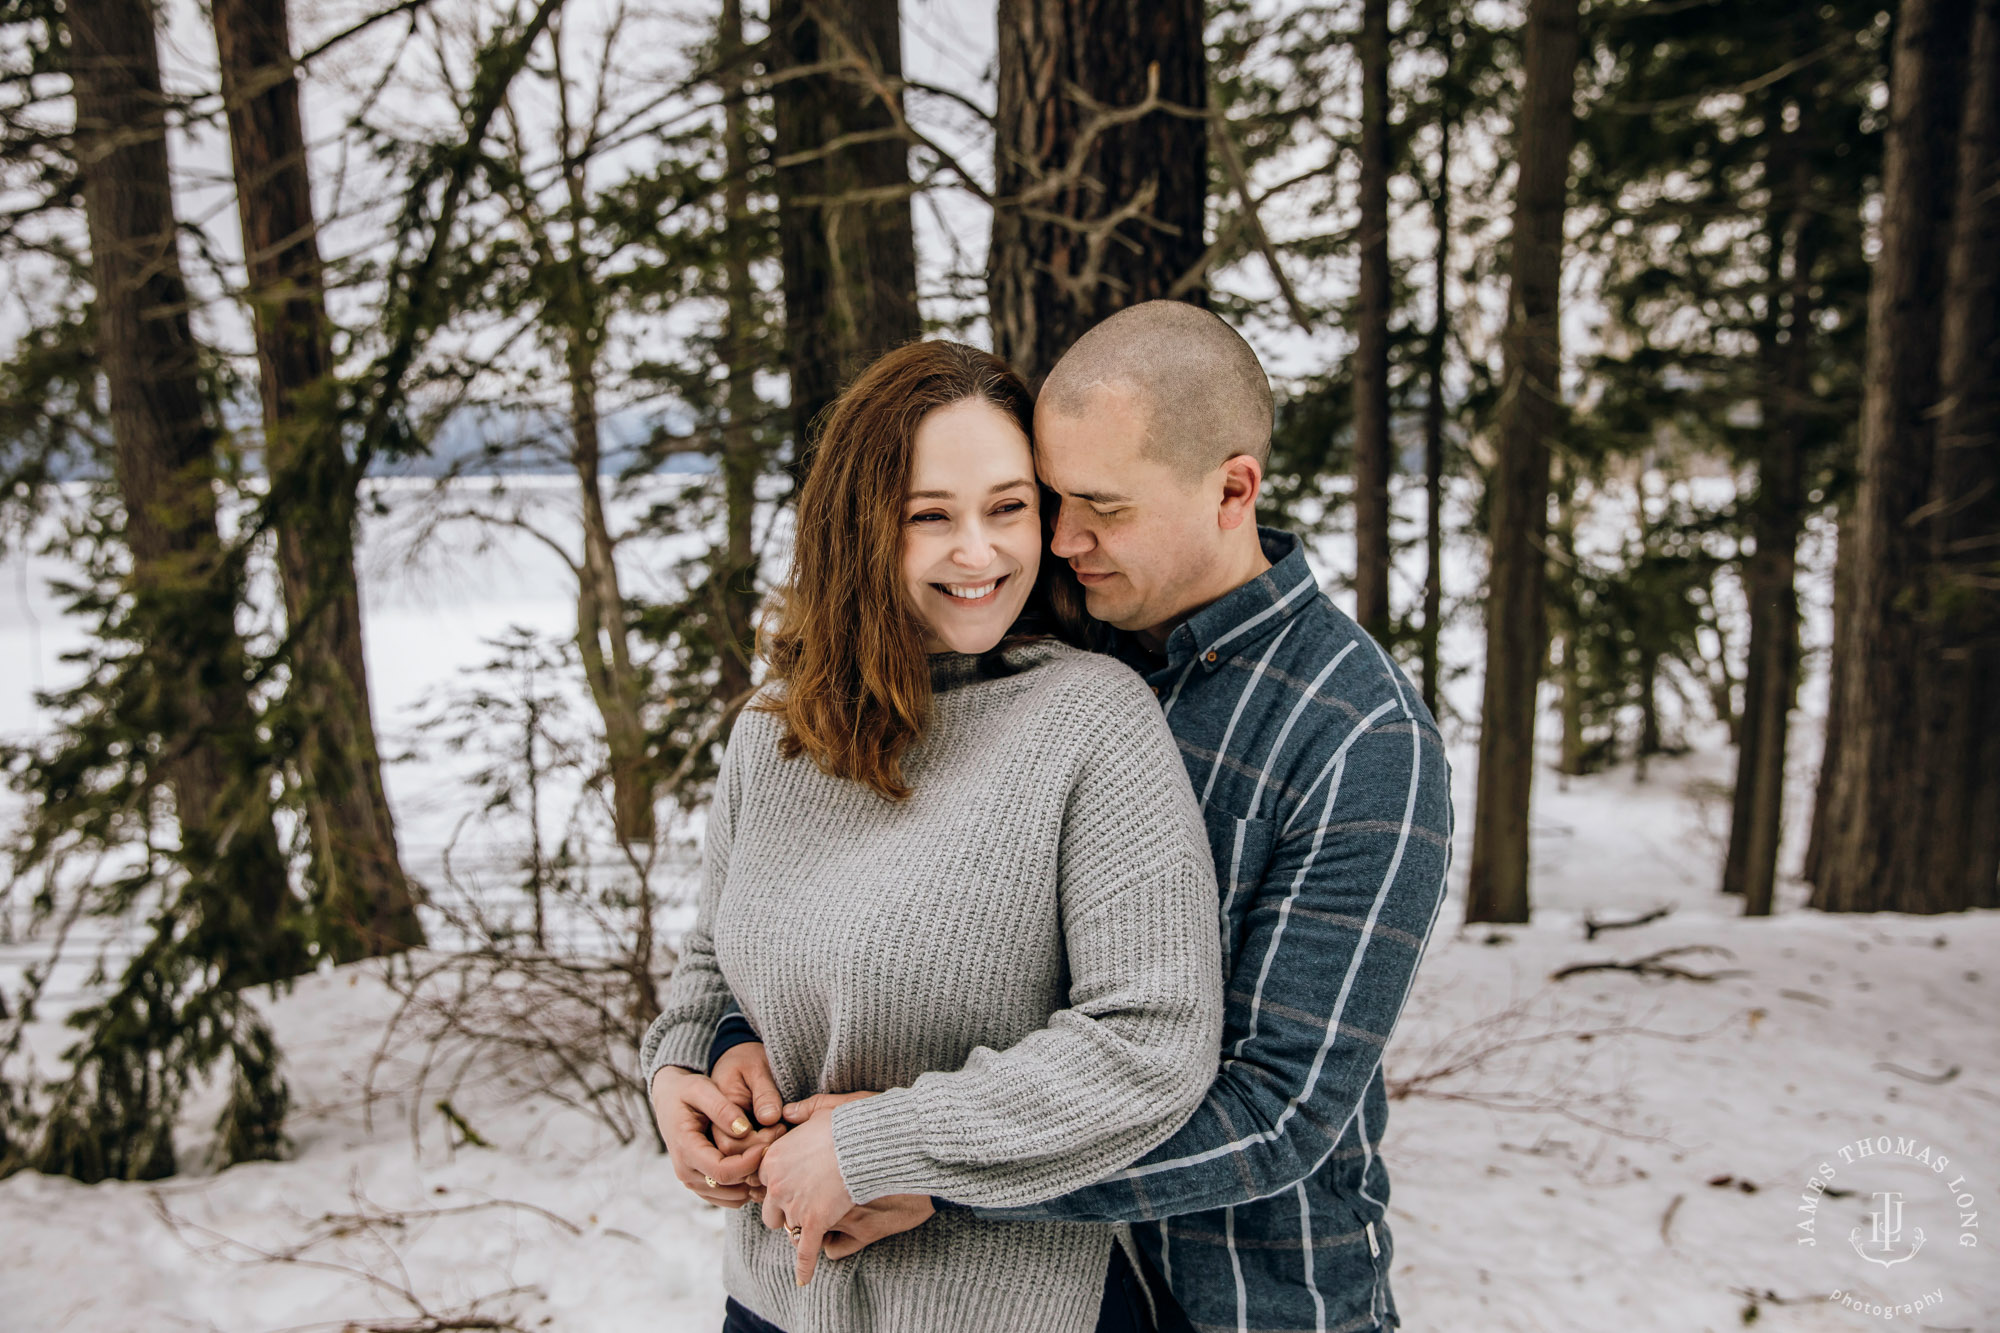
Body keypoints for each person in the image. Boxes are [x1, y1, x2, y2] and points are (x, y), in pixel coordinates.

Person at [669, 301, 1455, 1333]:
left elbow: (1278, 1110)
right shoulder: (1043, 626)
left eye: (1098, 506)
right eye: (1050, 499)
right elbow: (810, 909)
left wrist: (930, 1173)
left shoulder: (1356, 739)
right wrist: (716, 1046)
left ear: (1232, 490)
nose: (1059, 538)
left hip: (1248, 1295)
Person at [639, 338, 1225, 1333]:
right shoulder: (770, 732)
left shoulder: (1088, 721)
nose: (978, 551)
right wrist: (683, 1067)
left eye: (1007, 508)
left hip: (1012, 1307)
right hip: (774, 1299)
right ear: (858, 532)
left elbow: (1153, 1040)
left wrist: (881, 1141)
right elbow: (711, 965)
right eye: (929, 517)